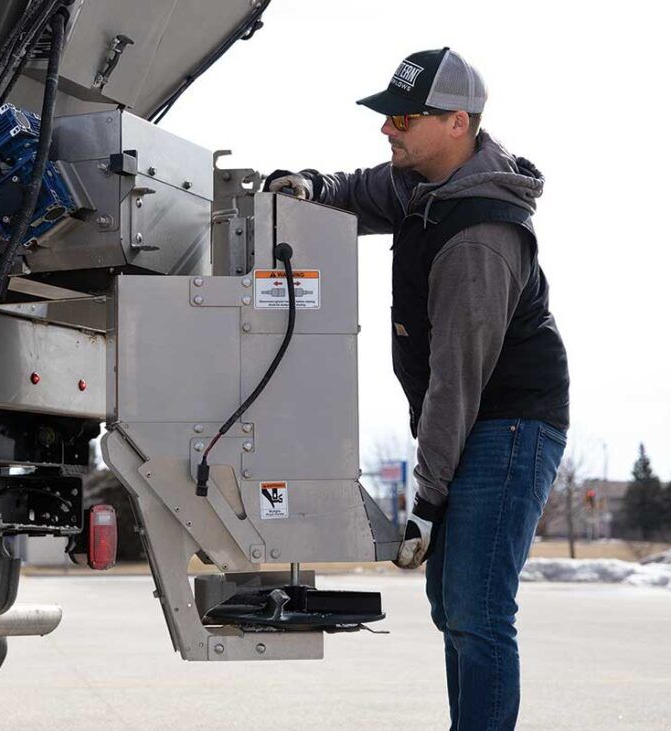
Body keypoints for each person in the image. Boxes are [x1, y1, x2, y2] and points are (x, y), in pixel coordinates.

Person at [265, 47, 570, 730]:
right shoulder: (422, 183)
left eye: (403, 117)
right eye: (387, 116)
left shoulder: (480, 236)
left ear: (457, 122)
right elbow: (359, 189)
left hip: (508, 424)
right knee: (451, 604)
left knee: (479, 609)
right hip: (470, 419)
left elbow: (457, 380)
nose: (387, 130)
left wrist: (427, 498)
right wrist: (310, 185)